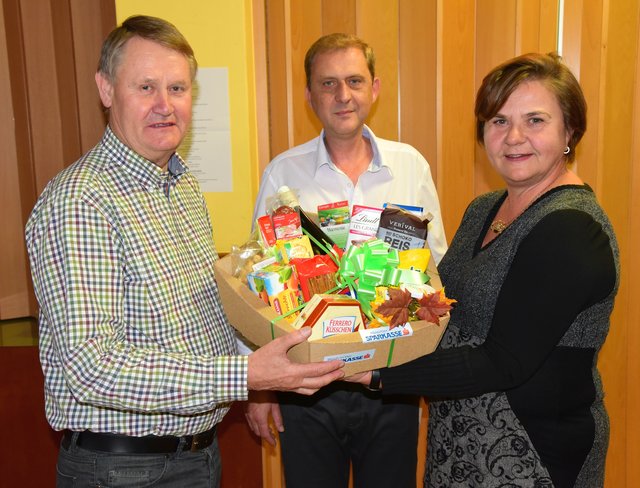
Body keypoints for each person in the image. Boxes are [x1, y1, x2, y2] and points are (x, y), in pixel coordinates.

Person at [24, 15, 344, 488]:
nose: (164, 105)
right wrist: (246, 375)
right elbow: (92, 367)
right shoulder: (81, 201)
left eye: (177, 88)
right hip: (124, 470)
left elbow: (201, 312)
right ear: (106, 89)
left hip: (194, 455)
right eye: (146, 87)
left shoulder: (183, 185)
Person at [346, 52, 619, 488]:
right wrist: (360, 309)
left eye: (535, 120)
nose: (514, 137)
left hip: (532, 454)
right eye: (498, 121)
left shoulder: (572, 228)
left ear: (570, 130)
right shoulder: (483, 209)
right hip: (460, 439)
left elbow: (504, 361)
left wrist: (375, 371)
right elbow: (446, 307)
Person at [244, 33, 448, 488]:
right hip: (309, 384)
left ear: (374, 88)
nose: (343, 96)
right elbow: (259, 279)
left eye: (354, 81)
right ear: (309, 95)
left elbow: (437, 266)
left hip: (392, 380)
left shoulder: (409, 165)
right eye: (328, 83)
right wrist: (260, 389)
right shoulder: (283, 173)